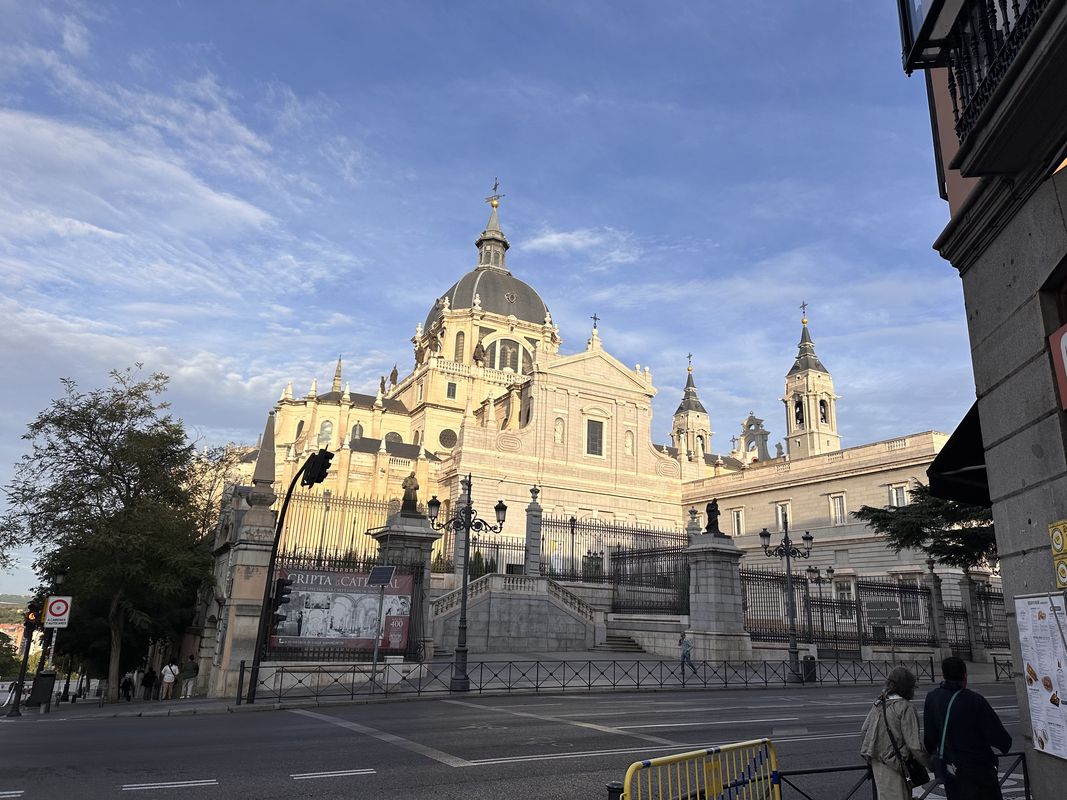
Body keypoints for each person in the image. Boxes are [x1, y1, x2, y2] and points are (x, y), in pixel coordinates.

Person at [923, 656, 1011, 799]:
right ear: (965, 676)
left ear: (943, 675)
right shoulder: (975, 700)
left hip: (952, 772)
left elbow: (929, 739)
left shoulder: (933, 698)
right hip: (980, 772)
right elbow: (1002, 740)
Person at [860, 666, 929, 799]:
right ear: (908, 687)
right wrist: (931, 764)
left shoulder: (879, 704)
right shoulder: (905, 707)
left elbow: (864, 732)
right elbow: (914, 745)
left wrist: (870, 758)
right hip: (896, 766)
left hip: (877, 763)